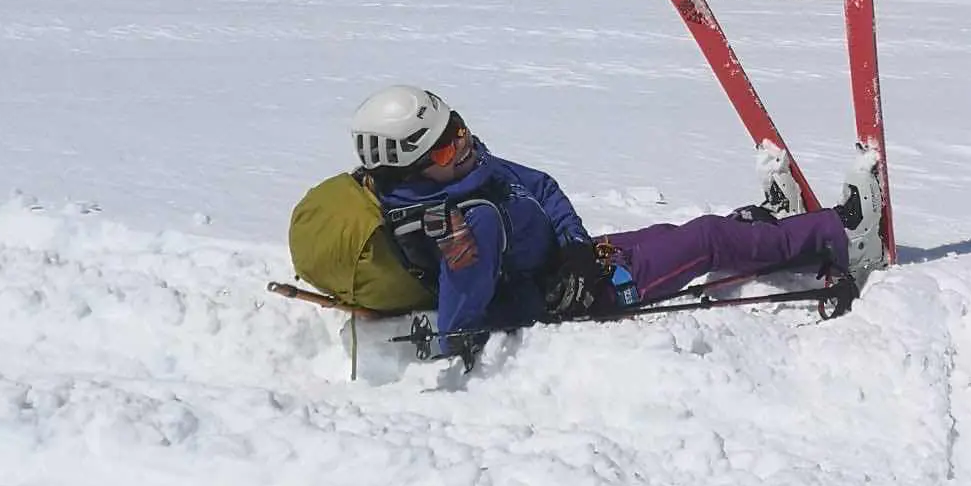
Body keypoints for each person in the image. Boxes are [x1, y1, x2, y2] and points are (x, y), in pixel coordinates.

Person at [350, 84, 882, 350]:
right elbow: (461, 323)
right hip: (586, 292)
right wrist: (555, 293)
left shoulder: (469, 171)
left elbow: (541, 187)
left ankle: (772, 223)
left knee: (673, 234)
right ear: (412, 167)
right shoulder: (464, 225)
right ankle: (842, 235)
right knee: (706, 241)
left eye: (459, 129)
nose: (463, 145)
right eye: (447, 147)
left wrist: (575, 247)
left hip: (580, 264)